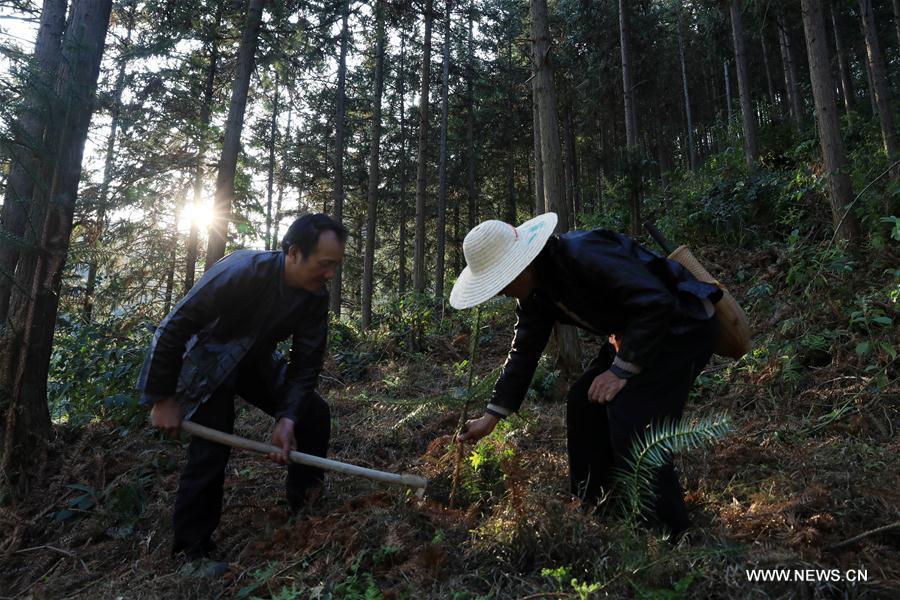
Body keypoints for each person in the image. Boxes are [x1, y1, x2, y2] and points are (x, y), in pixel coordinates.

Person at [450, 212, 721, 538]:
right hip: (634, 334)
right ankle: (595, 504)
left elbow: (656, 301)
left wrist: (621, 370)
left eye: (502, 282)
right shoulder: (535, 291)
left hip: (680, 327)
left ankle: (665, 530)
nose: (501, 292)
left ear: (520, 264)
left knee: (632, 416)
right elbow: (524, 351)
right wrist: (491, 417)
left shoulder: (584, 253)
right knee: (582, 402)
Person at [137, 213, 347, 561]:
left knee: (313, 413)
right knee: (212, 445)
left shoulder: (315, 297)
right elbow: (175, 327)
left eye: (334, 266)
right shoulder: (242, 270)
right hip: (205, 358)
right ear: (293, 253)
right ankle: (192, 549)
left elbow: (306, 362)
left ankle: (305, 506)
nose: (329, 274)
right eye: (325, 264)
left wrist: (287, 416)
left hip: (254, 359)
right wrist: (162, 397)